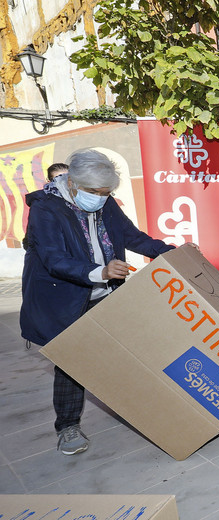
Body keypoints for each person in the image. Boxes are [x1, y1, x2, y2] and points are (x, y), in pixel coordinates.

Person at [20, 149, 175, 455]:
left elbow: (133, 236)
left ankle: (149, 411)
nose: (101, 198)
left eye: (107, 193)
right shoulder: (46, 209)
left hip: (105, 293)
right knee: (72, 364)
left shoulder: (105, 203)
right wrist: (99, 271)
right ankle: (68, 427)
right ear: (74, 184)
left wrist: (170, 251)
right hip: (64, 298)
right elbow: (53, 258)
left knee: (127, 352)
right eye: (95, 192)